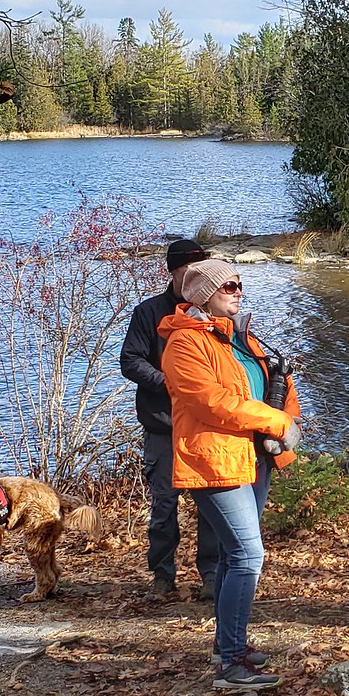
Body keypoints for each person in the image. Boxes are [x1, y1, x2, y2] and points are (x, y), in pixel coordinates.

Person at [158, 259, 302, 692]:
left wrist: (288, 423)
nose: (238, 292)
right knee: (247, 556)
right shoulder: (184, 345)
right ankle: (233, 663)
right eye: (228, 286)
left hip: (253, 458)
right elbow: (213, 402)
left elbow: (279, 383)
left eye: (240, 285)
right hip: (215, 461)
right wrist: (275, 424)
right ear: (203, 295)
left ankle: (227, 646)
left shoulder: (240, 337)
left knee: (229, 556)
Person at [120, 237, 220, 602]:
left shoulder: (213, 313)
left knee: (211, 505)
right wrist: (171, 383)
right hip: (163, 426)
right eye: (189, 273)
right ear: (173, 273)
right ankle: (162, 577)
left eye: (202, 273)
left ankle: (210, 575)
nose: (197, 280)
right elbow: (130, 360)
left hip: (205, 427)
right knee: (164, 507)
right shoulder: (148, 313)